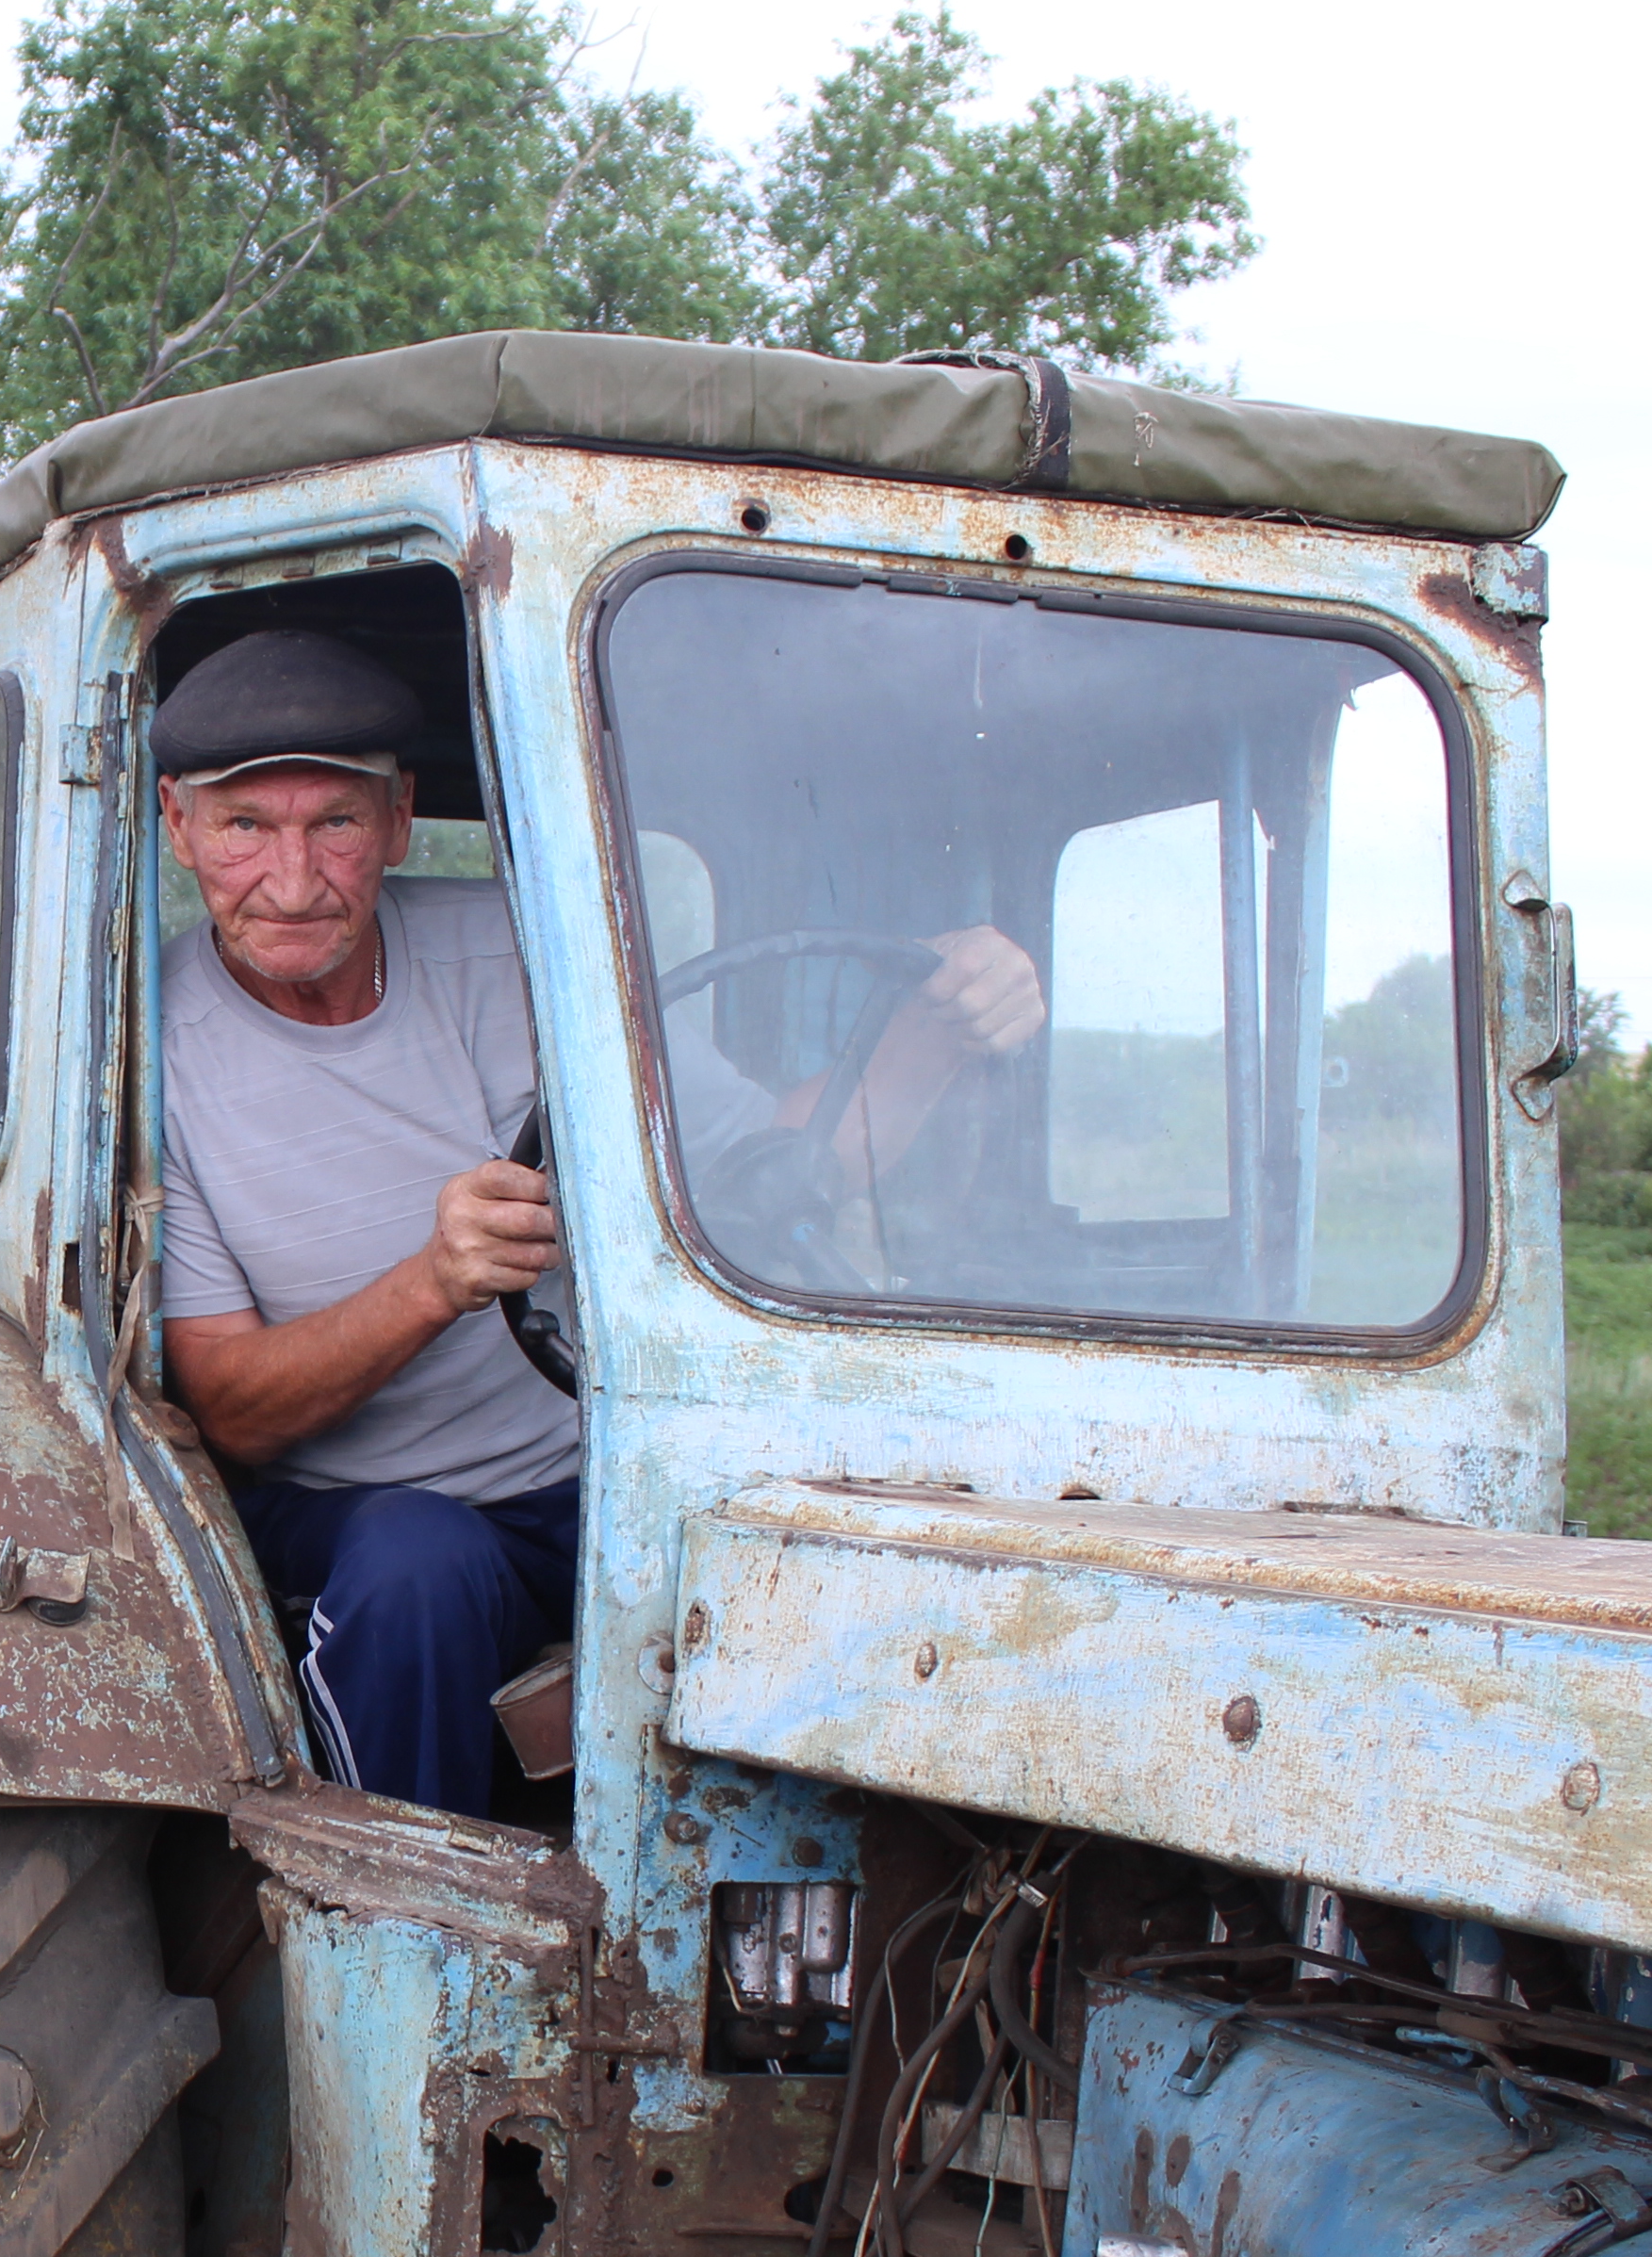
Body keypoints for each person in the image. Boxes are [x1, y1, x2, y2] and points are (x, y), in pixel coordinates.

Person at [150, 628, 1044, 1820]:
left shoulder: (529, 953)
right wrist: (434, 1281)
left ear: (402, 821)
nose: (296, 878)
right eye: (246, 826)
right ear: (178, 824)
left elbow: (770, 1172)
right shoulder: (151, 1054)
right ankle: (411, 1942)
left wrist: (934, 1040)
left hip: (609, 1473)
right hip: (359, 1510)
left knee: (838, 1540)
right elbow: (231, 1410)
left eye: (337, 824)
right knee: (418, 1567)